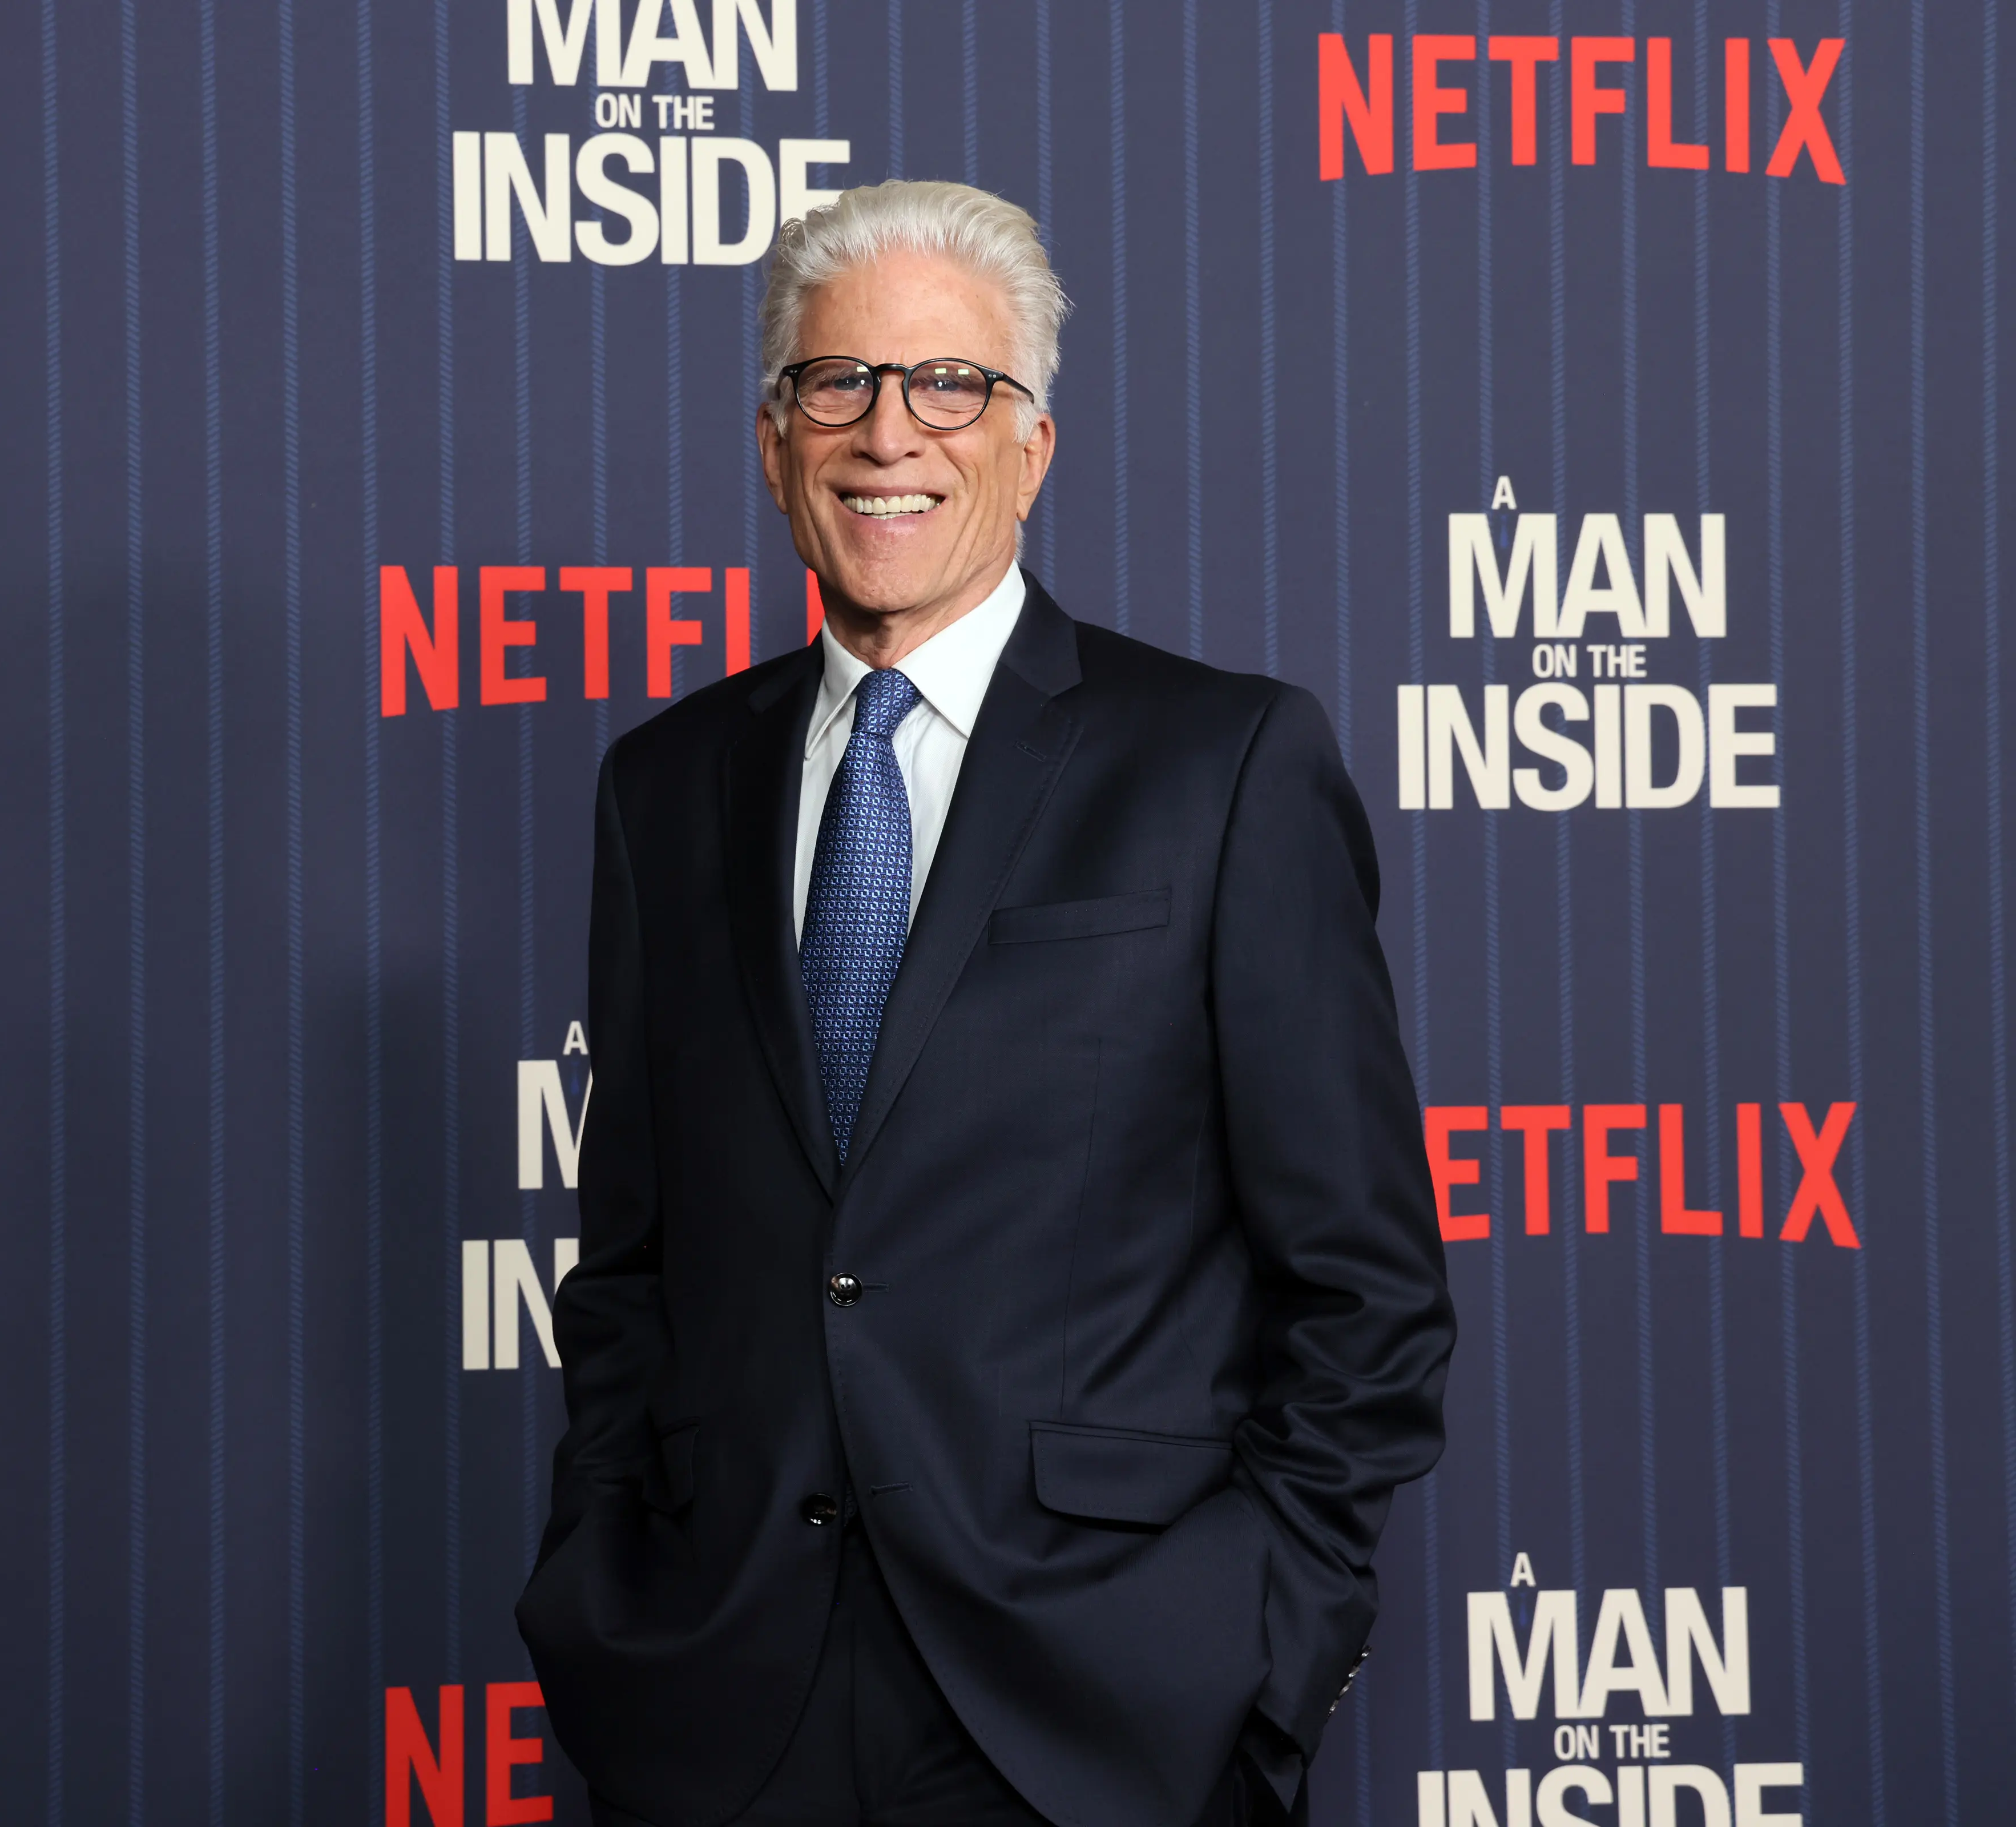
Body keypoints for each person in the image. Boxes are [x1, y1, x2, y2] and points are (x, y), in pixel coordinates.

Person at [517, 179, 1454, 1827]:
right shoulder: (662, 787)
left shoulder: (1222, 765)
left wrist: (1254, 1650)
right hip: (724, 1707)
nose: (891, 433)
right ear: (772, 436)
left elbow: (1366, 1288)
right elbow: (634, 1264)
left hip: (1100, 1715)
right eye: (838, 382)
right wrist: (609, 1594)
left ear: (1031, 444)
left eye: (950, 385)